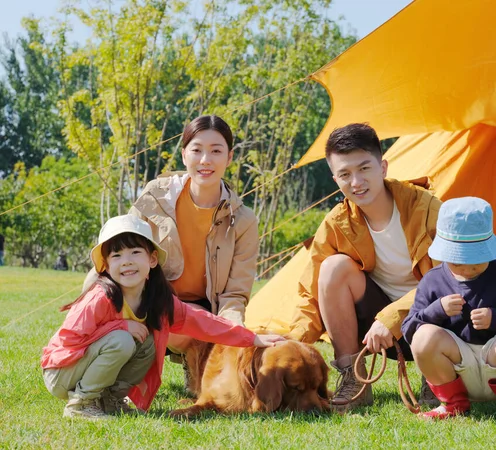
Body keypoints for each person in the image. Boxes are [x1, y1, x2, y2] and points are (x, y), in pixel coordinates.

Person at [42, 215, 283, 420]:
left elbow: (204, 322)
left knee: (148, 343)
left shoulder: (157, 301)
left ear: (152, 259)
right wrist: (121, 325)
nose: (126, 261)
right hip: (63, 372)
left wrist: (252, 339)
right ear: (105, 266)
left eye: (135, 252)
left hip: (85, 368)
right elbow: (68, 339)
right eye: (116, 255)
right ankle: (80, 405)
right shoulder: (100, 298)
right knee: (123, 339)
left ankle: (109, 400)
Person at [83, 115, 259, 390]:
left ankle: (196, 361)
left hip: (198, 312)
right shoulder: (157, 197)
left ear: (229, 156)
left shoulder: (244, 220)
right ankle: (90, 367)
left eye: (216, 151)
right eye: (197, 150)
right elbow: (123, 248)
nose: (205, 160)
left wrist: (234, 334)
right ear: (184, 153)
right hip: (146, 297)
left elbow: (234, 295)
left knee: (179, 320)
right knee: (94, 282)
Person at [287, 123, 441, 410]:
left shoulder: (427, 208)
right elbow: (309, 291)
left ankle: (437, 377)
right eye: (345, 174)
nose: (356, 182)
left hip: (431, 319)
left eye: (364, 169)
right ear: (335, 179)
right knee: (333, 268)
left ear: (382, 167)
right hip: (373, 327)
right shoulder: (337, 222)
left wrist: (392, 317)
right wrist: (291, 344)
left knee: (447, 295)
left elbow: (446, 280)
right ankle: (353, 377)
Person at [401, 197, 496, 425]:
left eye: (476, 261)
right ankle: (452, 404)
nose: (468, 268)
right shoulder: (432, 281)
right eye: (458, 262)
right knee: (423, 337)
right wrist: (437, 310)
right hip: (455, 369)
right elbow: (409, 330)